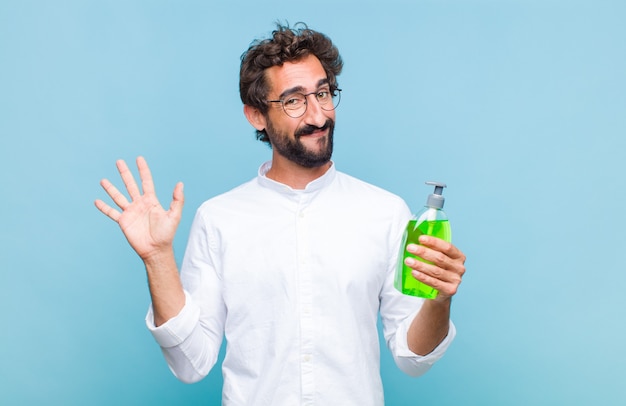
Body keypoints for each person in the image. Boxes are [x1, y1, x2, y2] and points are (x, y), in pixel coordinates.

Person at [95, 23, 466, 405]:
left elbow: (412, 359)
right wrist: (158, 260)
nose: (318, 115)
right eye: (294, 100)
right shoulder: (219, 219)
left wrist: (439, 301)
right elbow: (192, 364)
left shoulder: (385, 213)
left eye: (323, 93)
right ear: (256, 116)